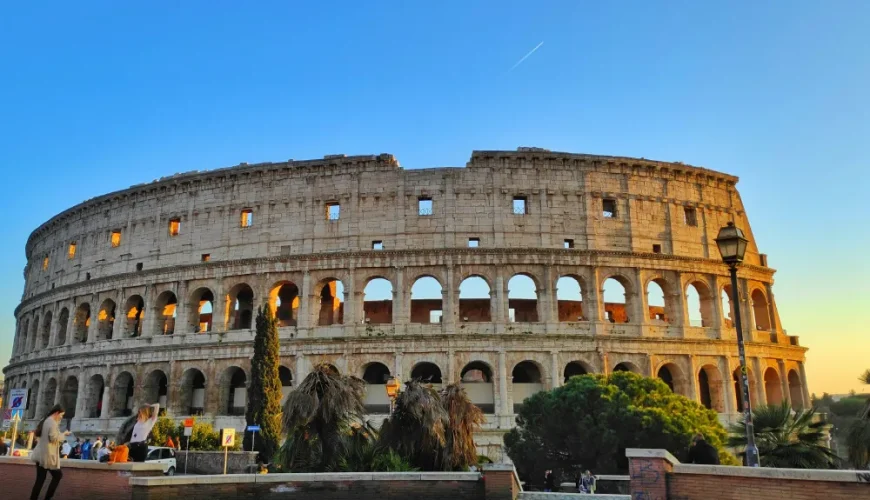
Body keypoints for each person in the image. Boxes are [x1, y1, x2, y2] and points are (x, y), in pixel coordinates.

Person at [30, 404, 70, 500]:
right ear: (57, 413)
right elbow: (54, 438)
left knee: (40, 480)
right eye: (61, 415)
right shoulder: (51, 422)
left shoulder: (45, 421)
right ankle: (48, 497)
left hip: (40, 455)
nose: (62, 417)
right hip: (47, 456)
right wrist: (64, 434)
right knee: (58, 475)